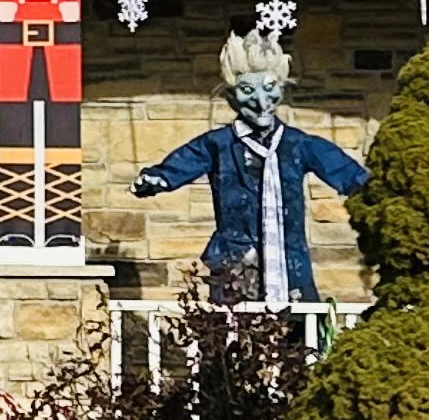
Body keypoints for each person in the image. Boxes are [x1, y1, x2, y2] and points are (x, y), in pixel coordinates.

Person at [133, 22, 365, 305]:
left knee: (298, 333)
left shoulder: (297, 144)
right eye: (247, 90)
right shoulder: (219, 144)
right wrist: (158, 179)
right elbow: (185, 162)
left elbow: (341, 169)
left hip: (289, 263)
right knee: (231, 334)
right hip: (236, 260)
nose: (260, 101)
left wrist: (369, 189)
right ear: (231, 96)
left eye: (269, 89)